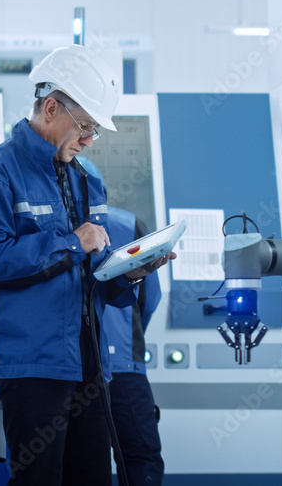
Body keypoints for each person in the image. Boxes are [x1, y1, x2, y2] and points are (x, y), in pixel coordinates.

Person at [0, 44, 171, 486]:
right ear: (51, 107)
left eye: (95, 130)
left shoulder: (88, 178)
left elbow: (97, 277)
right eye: (86, 126)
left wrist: (131, 272)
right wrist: (73, 242)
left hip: (90, 364)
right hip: (32, 365)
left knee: (91, 478)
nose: (90, 139)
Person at [77, 157, 167, 485]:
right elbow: (150, 297)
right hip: (125, 365)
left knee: (79, 462)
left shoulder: (55, 229)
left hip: (76, 369)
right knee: (139, 458)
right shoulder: (129, 225)